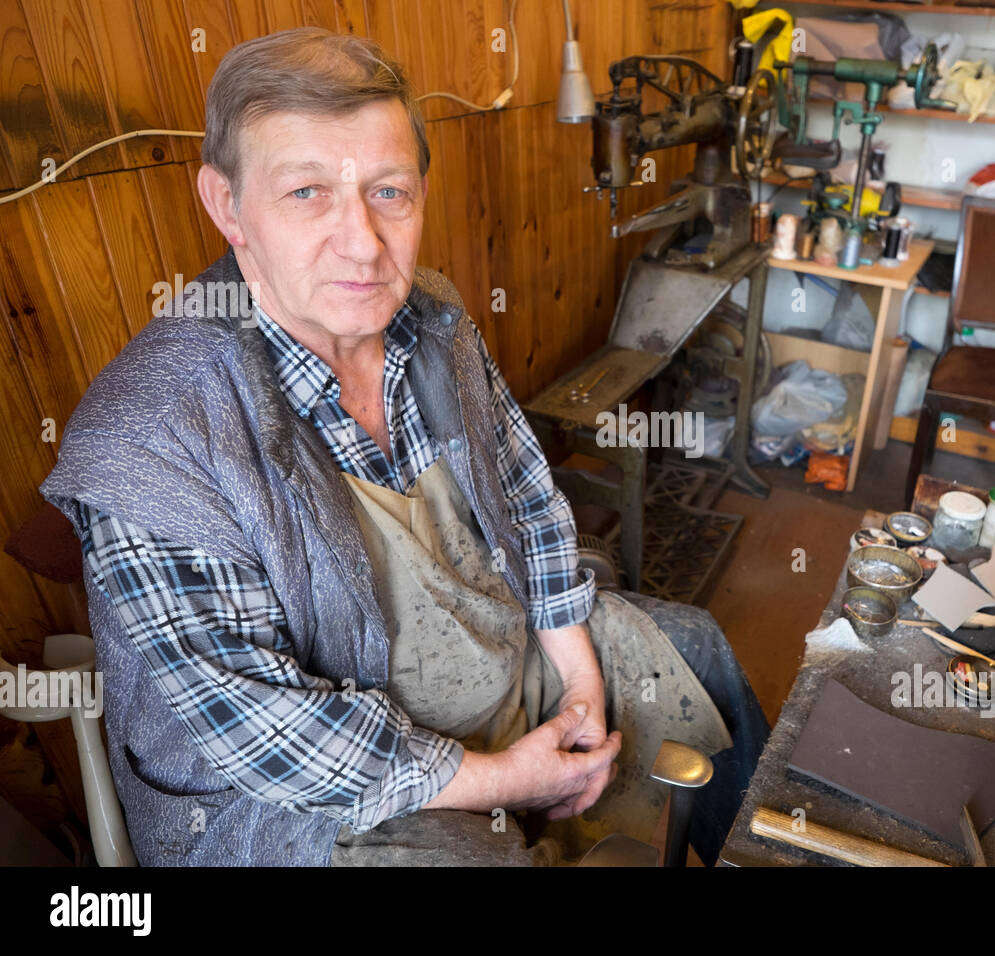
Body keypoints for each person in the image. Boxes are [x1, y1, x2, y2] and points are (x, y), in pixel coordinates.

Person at [41, 27, 768, 867]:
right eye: (307, 192)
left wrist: (579, 683)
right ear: (226, 205)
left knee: (699, 653)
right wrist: (506, 779)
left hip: (487, 669)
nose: (362, 242)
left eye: (388, 192)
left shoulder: (432, 319)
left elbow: (527, 501)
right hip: (283, 796)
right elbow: (262, 730)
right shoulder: (152, 435)